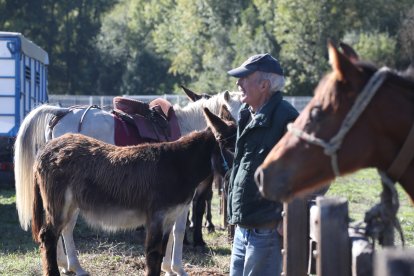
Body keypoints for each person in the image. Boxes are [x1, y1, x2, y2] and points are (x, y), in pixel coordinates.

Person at [226, 53, 299, 276]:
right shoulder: (247, 115)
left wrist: (288, 217)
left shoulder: (288, 118)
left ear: (264, 85)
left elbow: (313, 173)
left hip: (266, 232)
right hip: (243, 229)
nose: (238, 83)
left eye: (245, 77)